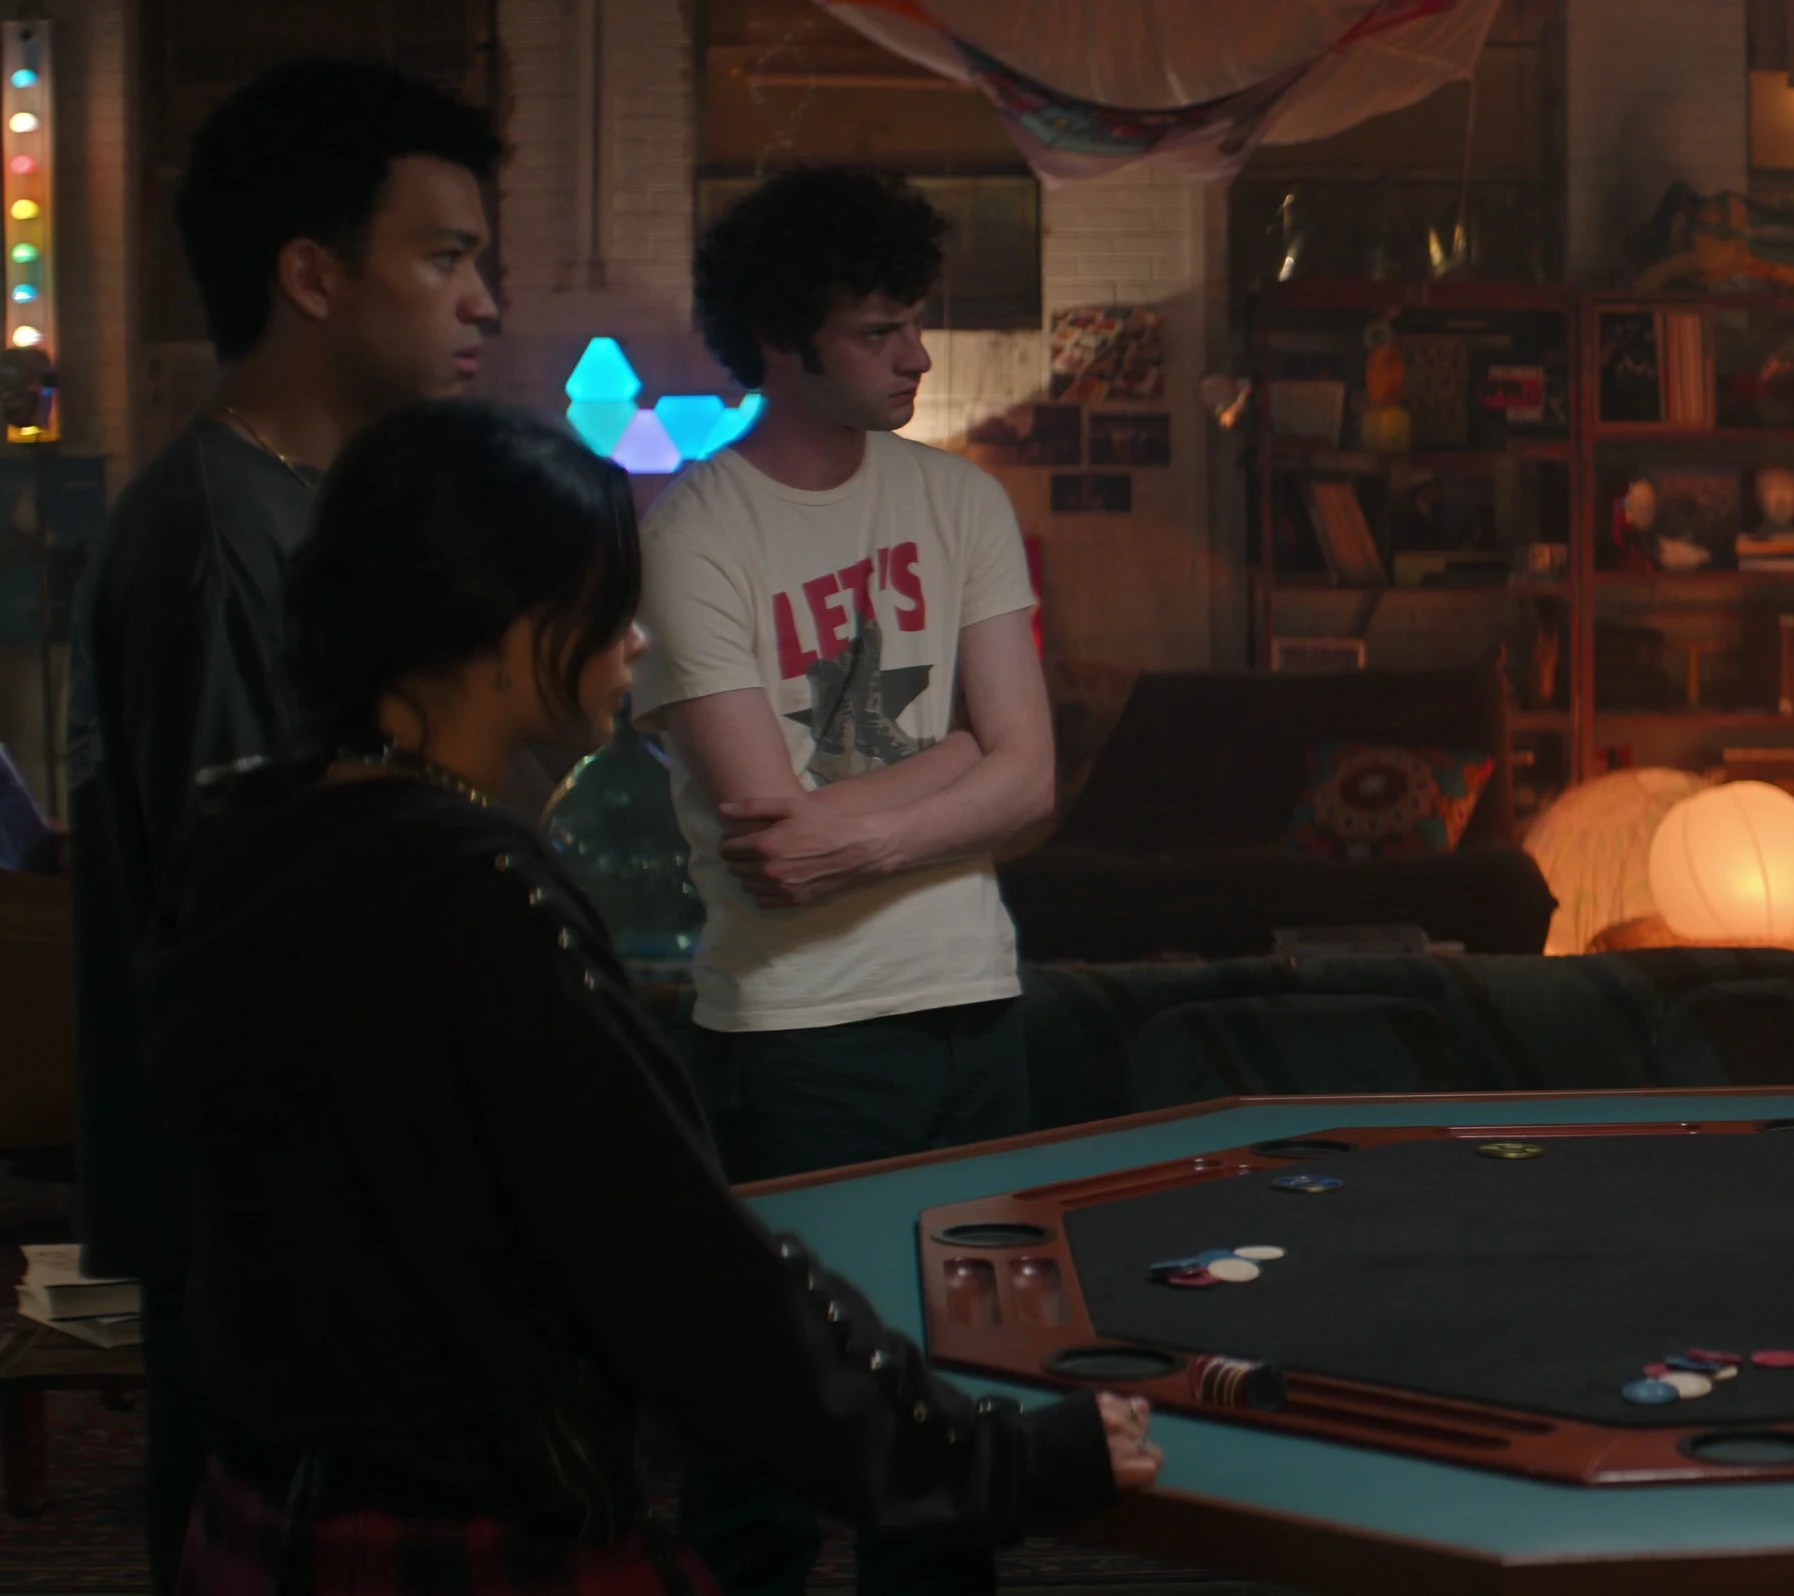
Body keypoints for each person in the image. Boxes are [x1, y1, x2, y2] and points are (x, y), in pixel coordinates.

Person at [146, 400, 1157, 1595]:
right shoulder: (473, 897)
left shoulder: (254, 842)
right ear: (505, 621)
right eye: (605, 602)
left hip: (259, 1516)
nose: (633, 641)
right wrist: (1004, 1459)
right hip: (465, 1541)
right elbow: (689, 1280)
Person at [65, 60, 505, 1587]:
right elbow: (255, 927)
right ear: (311, 277)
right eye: (444, 257)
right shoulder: (214, 536)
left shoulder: (324, 511)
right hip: (276, 1198)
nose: (486, 301)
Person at [636, 165, 1059, 1596]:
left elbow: (1033, 781)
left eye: (913, 322)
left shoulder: (961, 503)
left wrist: (859, 830)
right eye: (880, 331)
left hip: (976, 1013)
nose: (918, 356)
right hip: (795, 1036)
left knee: (957, 1408)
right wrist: (959, 762)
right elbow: (768, 833)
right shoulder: (695, 530)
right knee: (773, 1418)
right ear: (779, 342)